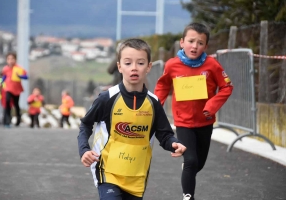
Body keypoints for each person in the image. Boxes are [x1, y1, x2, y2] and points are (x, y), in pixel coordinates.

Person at [78, 38, 186, 200]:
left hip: (136, 174)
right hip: (108, 171)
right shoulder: (107, 99)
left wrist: (173, 144)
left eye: (140, 63)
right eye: (128, 63)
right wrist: (84, 150)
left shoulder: (153, 103)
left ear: (149, 66)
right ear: (119, 66)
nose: (134, 68)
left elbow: (164, 134)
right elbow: (85, 125)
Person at [154, 23, 233, 200]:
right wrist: (156, 107)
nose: (194, 46)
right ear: (182, 42)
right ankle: (188, 196)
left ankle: (188, 172)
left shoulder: (212, 65)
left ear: (206, 46)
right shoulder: (172, 65)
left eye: (200, 43)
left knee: (199, 163)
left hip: (205, 122)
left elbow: (227, 87)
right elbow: (163, 85)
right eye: (191, 41)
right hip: (183, 123)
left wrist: (212, 106)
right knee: (190, 161)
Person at [2, 52, 28, 128]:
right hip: (8, 88)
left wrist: (20, 76)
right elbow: (4, 76)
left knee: (16, 104)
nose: (10, 60)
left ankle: (18, 120)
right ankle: (7, 120)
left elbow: (26, 76)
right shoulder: (5, 68)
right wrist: (1, 81)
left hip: (16, 89)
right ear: (7, 60)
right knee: (7, 102)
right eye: (9, 59)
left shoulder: (19, 68)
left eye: (12, 59)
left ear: (15, 60)